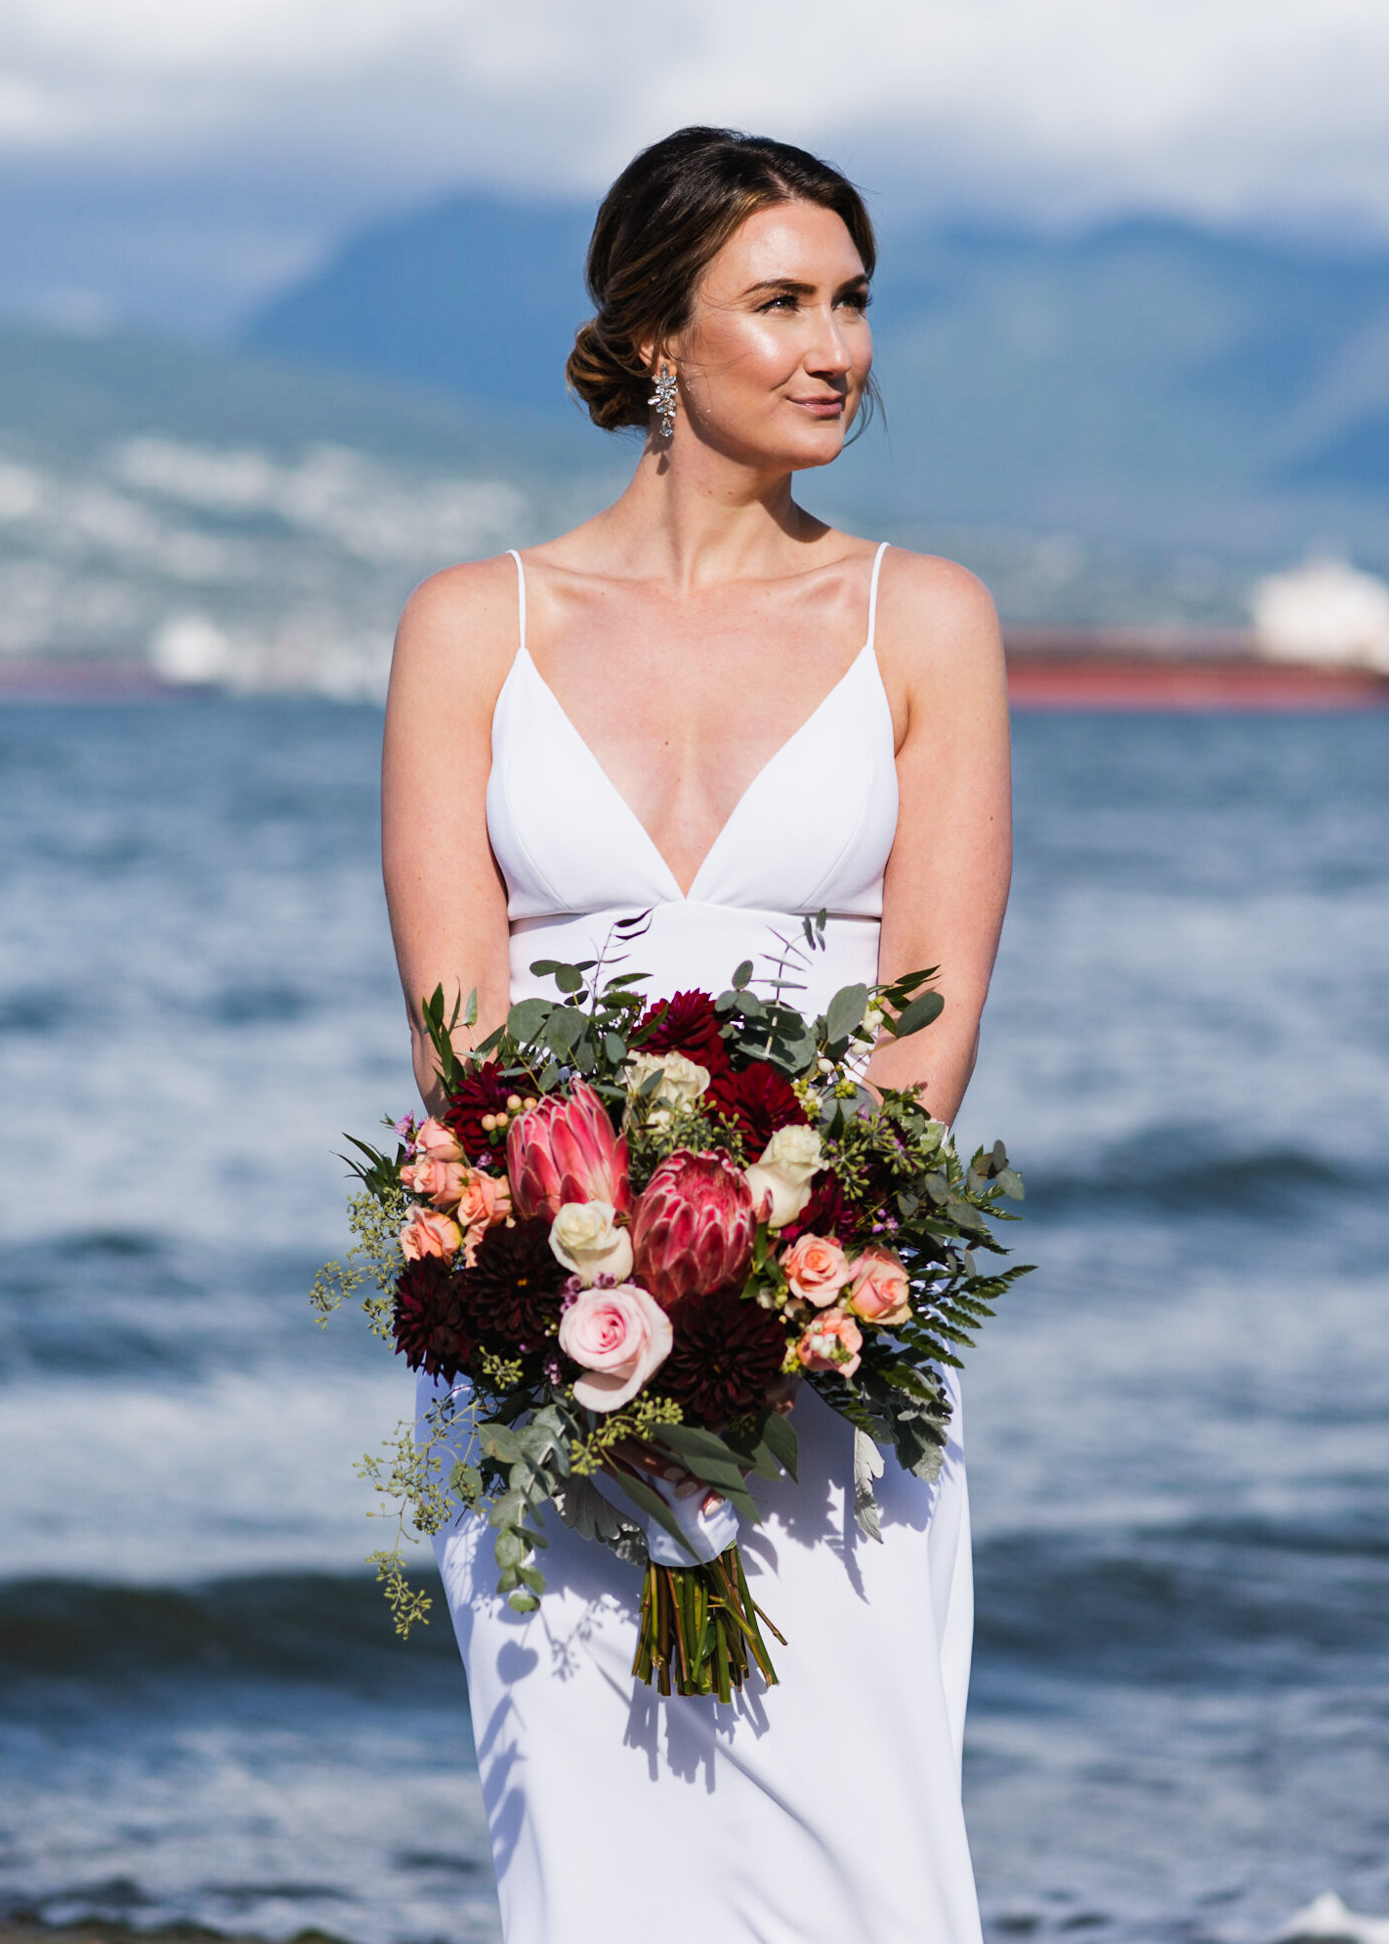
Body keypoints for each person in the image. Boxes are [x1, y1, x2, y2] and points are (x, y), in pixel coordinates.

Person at [381, 126, 1012, 1944]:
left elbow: (931, 1017)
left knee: (854, 1816)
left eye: (854, 301)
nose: (837, 349)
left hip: (834, 1311)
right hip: (543, 1300)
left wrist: (772, 1303)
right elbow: (457, 1031)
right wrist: (584, 1303)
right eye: (782, 302)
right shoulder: (467, 624)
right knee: (588, 1826)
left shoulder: (926, 618)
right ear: (656, 334)